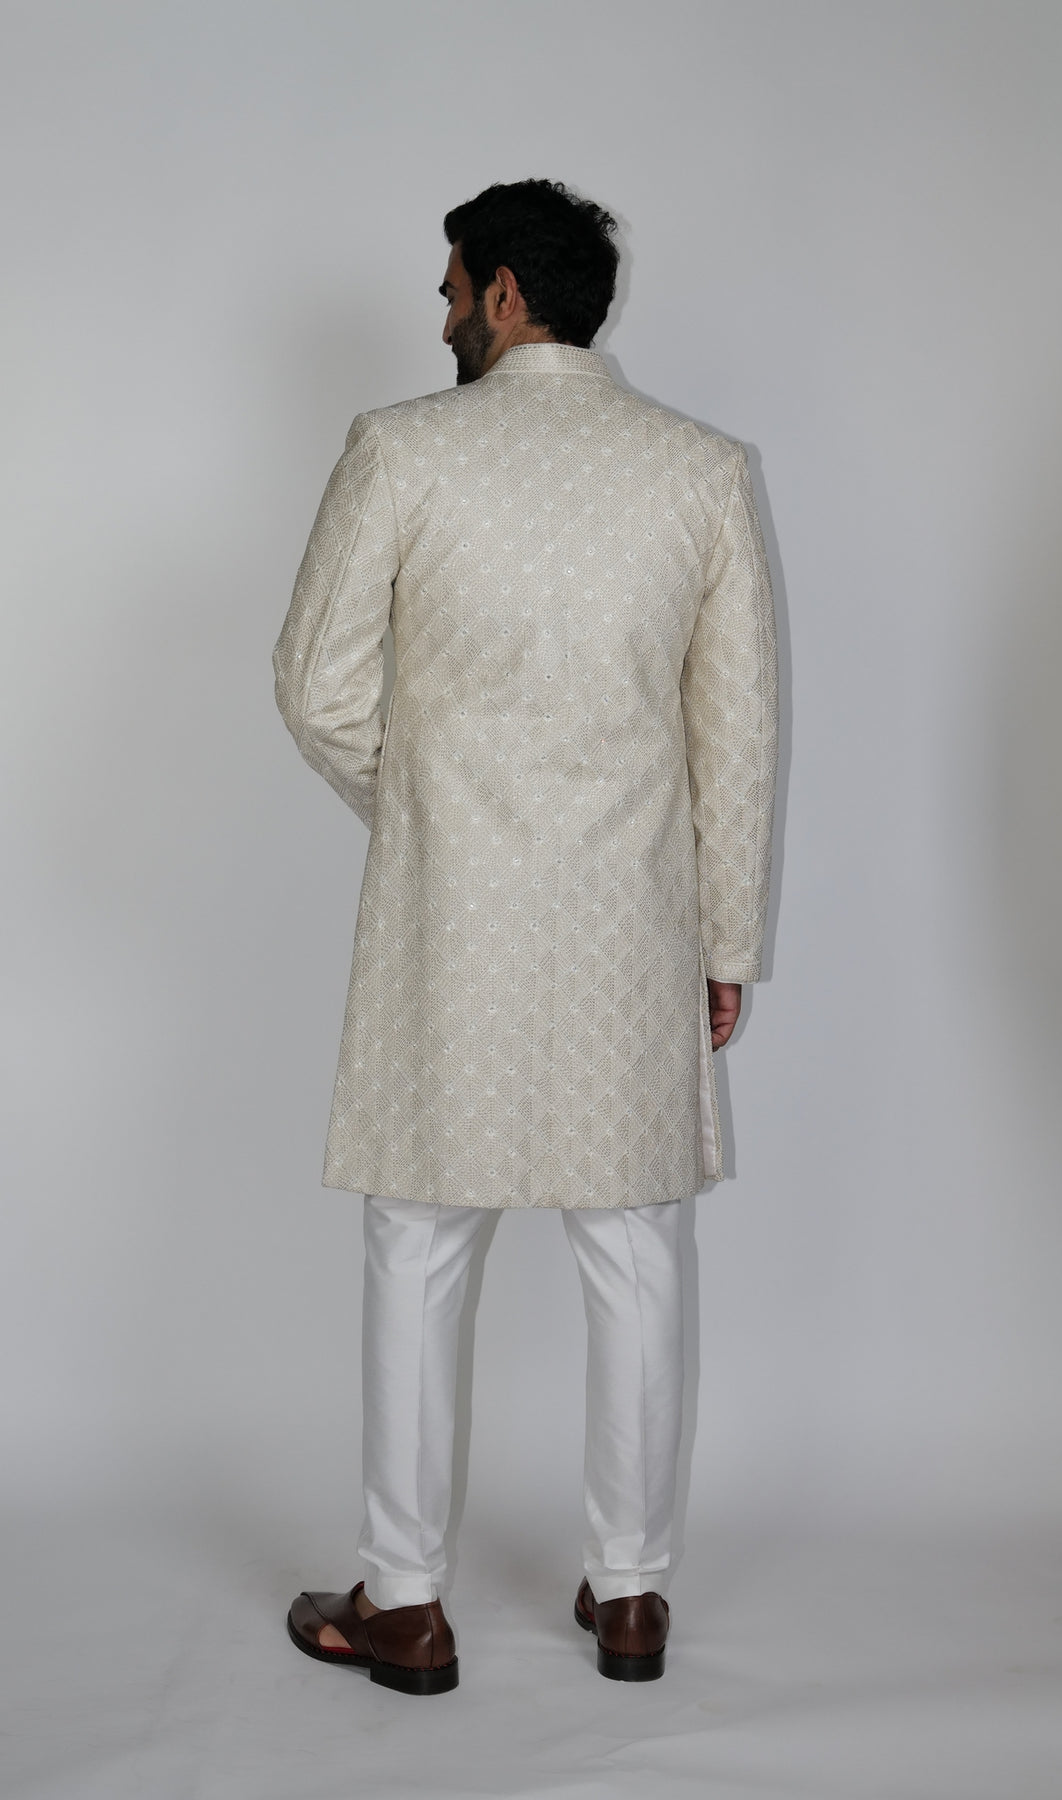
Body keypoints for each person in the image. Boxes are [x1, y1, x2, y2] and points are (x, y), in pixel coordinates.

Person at [272, 178, 779, 1695]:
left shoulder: (401, 451)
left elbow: (314, 687)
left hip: (451, 917)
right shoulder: (702, 472)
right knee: (636, 1250)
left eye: (451, 289)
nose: (439, 315)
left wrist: (425, 809)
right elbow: (738, 736)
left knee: (420, 1243)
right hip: (635, 924)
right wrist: (725, 944)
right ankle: (631, 1596)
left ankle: (408, 1604)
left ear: (504, 294)